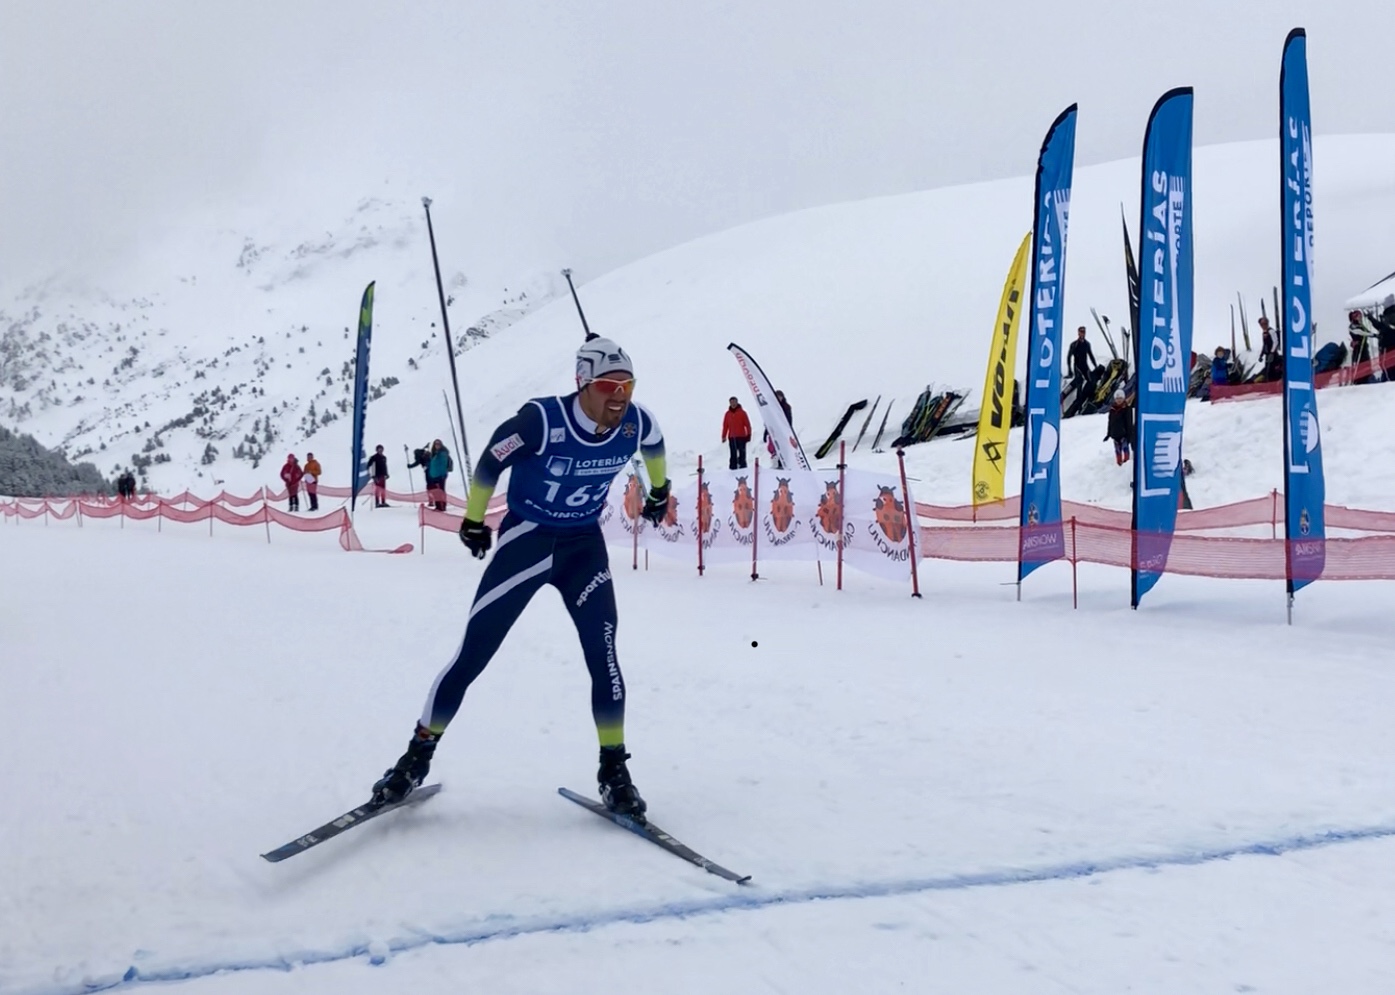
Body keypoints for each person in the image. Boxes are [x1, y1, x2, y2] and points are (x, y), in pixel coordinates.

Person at [370, 336, 670, 820]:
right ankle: (414, 759)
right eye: (607, 385)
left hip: (581, 549)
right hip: (527, 541)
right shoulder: (542, 420)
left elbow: (655, 447)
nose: (619, 395)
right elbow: (491, 461)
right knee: (472, 656)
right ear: (582, 385)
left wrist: (660, 490)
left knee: (605, 657)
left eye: (627, 384)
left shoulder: (637, 421)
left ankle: (614, 771)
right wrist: (472, 519)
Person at [764, 389, 794, 469]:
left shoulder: (786, 407)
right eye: (777, 397)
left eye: (780, 397)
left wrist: (788, 430)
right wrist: (766, 431)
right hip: (773, 430)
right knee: (772, 447)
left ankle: (784, 462)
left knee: (783, 446)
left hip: (782, 430)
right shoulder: (771, 407)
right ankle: (776, 462)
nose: (778, 398)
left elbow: (789, 419)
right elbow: (768, 419)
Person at [1103, 389, 1133, 465]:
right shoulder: (1112, 409)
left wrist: (1129, 434)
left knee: (1125, 448)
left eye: (1120, 398)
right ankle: (1119, 463)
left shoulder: (1126, 409)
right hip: (1115, 434)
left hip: (1124, 434)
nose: (1119, 400)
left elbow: (1129, 422)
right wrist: (1108, 434)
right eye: (1117, 398)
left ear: (1123, 399)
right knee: (1117, 450)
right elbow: (1110, 422)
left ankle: (1126, 462)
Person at [721, 396, 751, 470]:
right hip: (732, 437)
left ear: (737, 402)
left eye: (734, 402)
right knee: (733, 453)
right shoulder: (727, 414)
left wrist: (749, 434)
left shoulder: (742, 413)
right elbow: (725, 426)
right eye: (731, 402)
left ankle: (743, 466)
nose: (733, 404)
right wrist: (723, 436)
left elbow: (747, 425)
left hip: (741, 436)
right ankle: (733, 467)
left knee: (742, 452)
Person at [424, 439, 453, 512]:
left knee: (440, 491)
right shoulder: (434, 454)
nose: (437, 445)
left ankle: (441, 506)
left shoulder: (442, 454)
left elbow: (441, 465)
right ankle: (439, 506)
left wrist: (441, 475)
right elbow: (432, 464)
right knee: (436, 491)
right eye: (436, 444)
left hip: (440, 476)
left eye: (438, 444)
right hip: (434, 475)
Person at [1067, 326, 1097, 394]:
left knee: (1091, 381)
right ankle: (1078, 399)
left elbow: (1091, 356)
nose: (1082, 334)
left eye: (1084, 332)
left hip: (1085, 366)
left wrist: (1096, 366)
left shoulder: (1087, 344)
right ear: (1078, 333)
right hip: (1077, 366)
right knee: (1079, 382)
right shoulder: (1074, 344)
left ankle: (1090, 396)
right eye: (1081, 332)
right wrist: (1070, 370)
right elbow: (1069, 357)